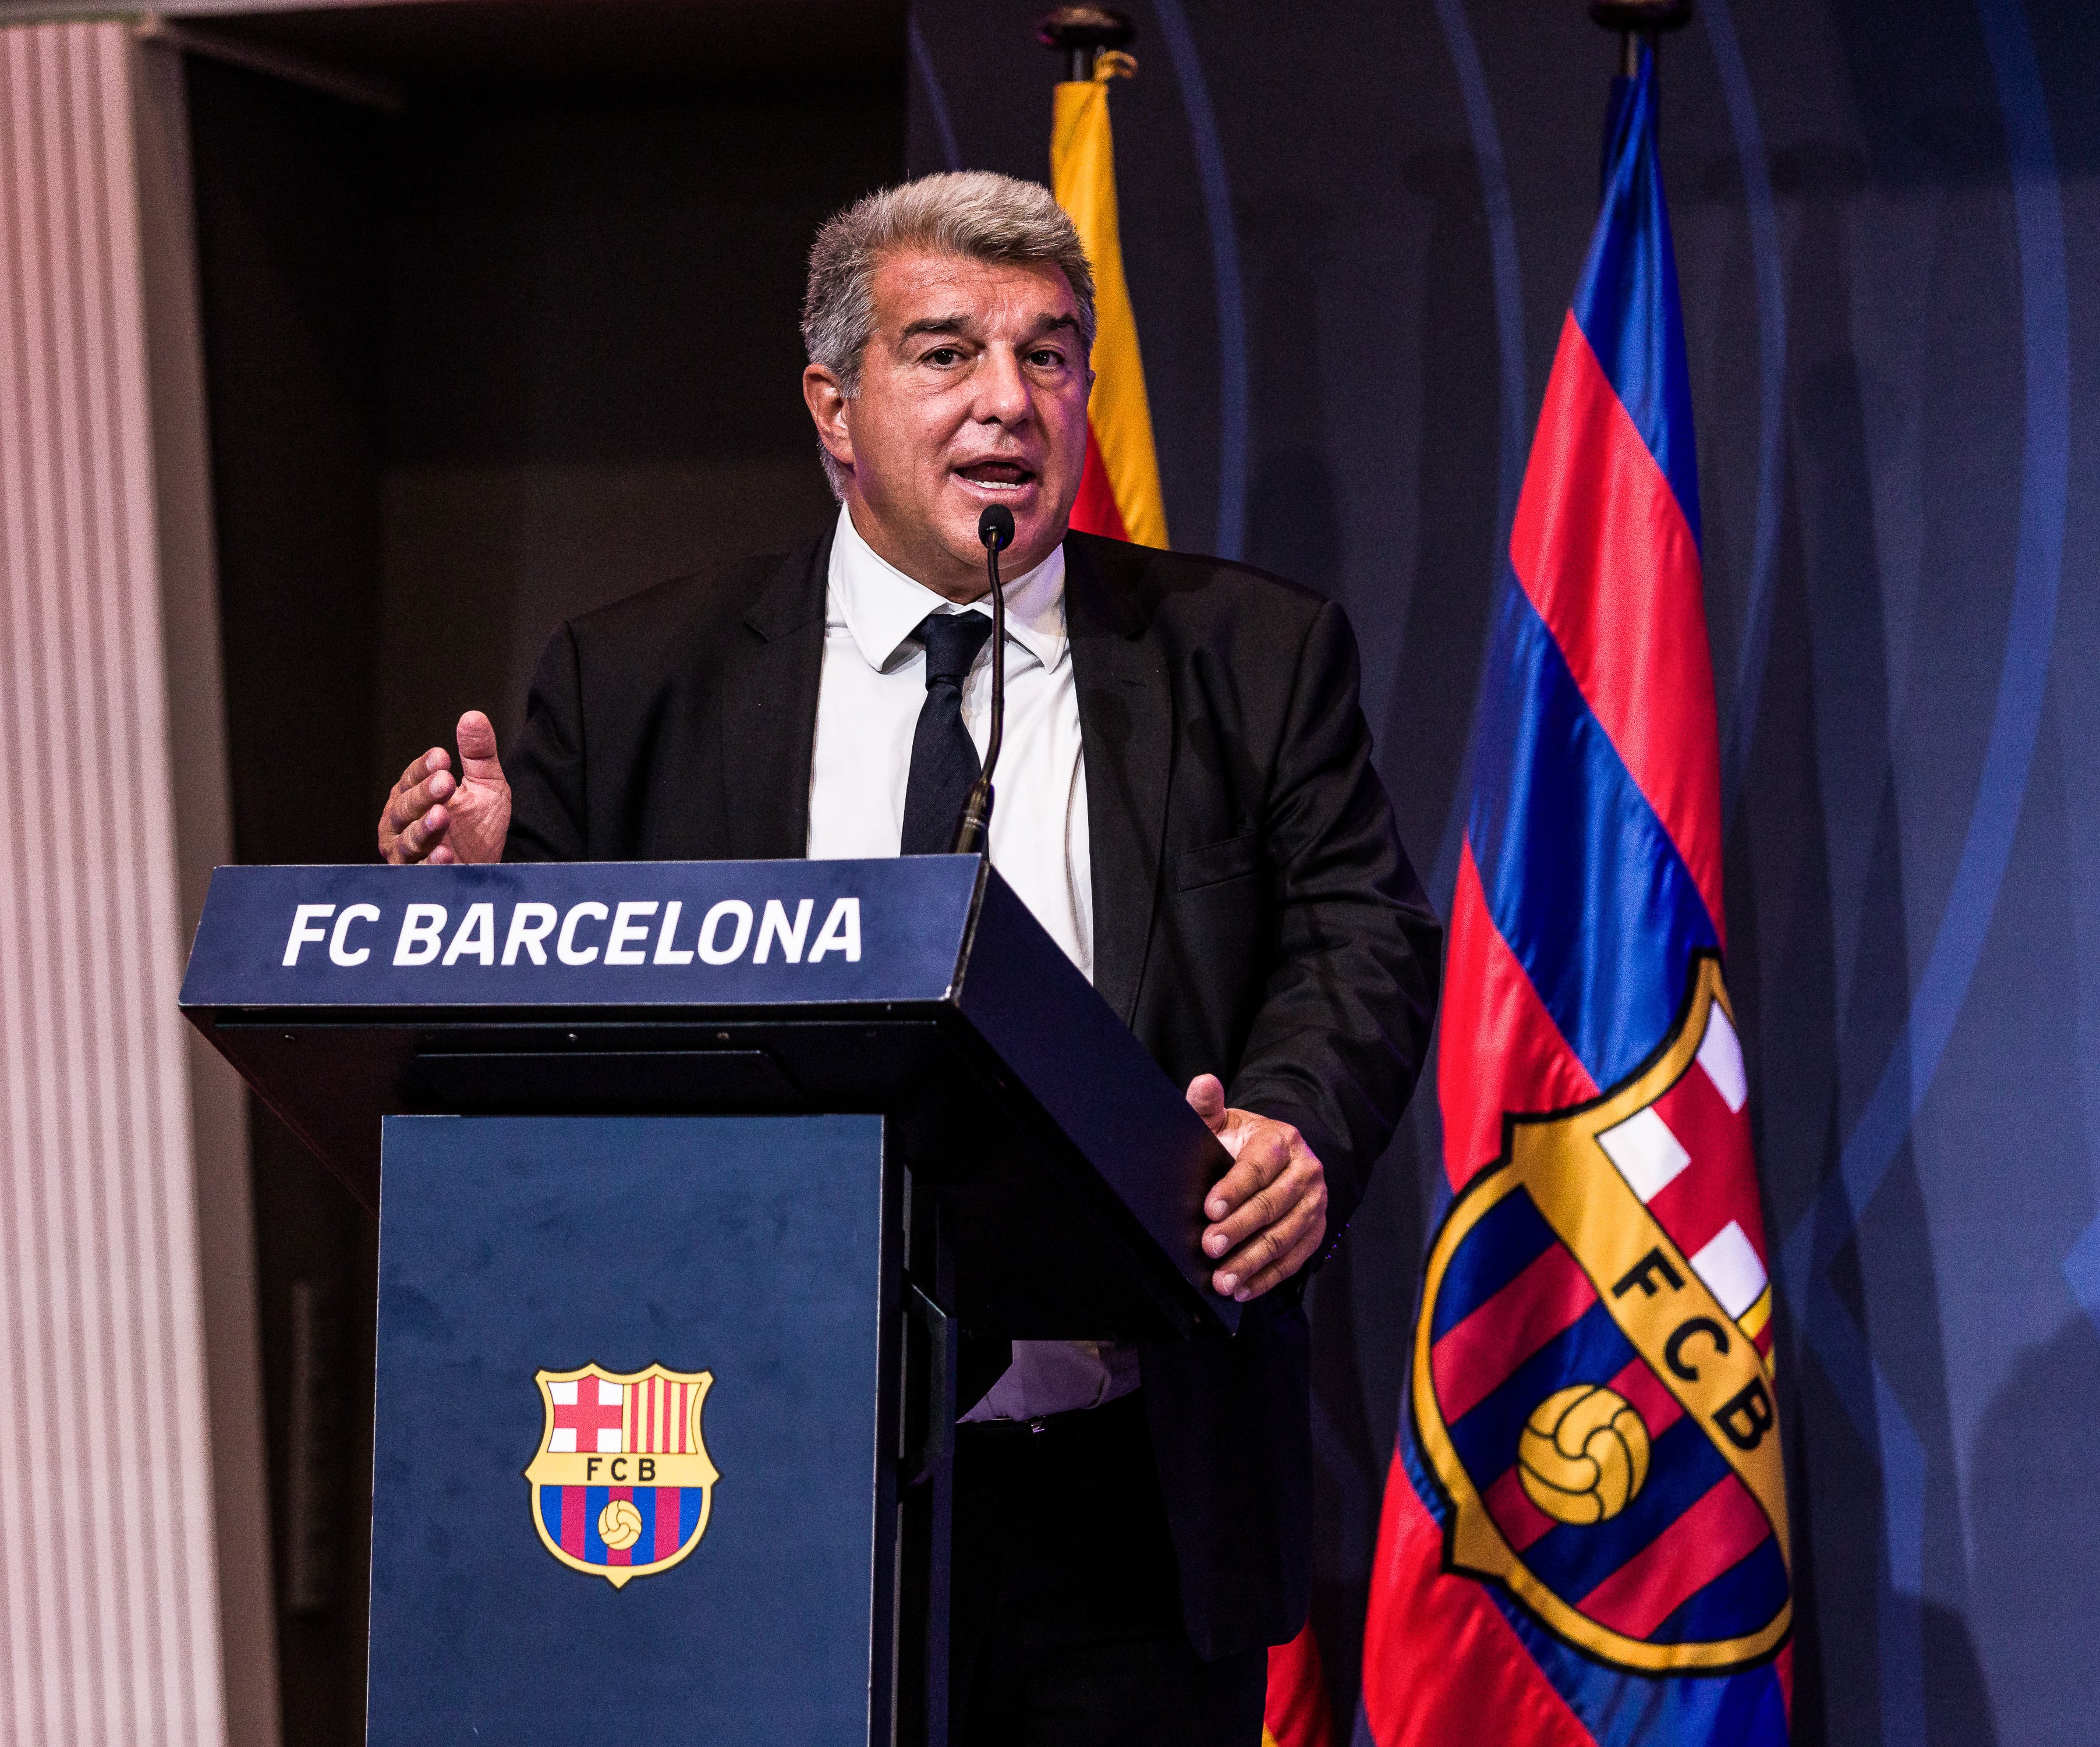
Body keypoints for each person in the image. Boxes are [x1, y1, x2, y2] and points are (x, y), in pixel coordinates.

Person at [375, 169, 1437, 1746]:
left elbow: (1361, 930)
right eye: (946, 352)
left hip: (1129, 1500)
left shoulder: (1248, 655)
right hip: (746, 1473)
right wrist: (488, 916)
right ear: (832, 402)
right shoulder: (638, 678)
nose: (1009, 401)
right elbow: (557, 1074)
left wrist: (1292, 1118)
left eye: (1050, 354)